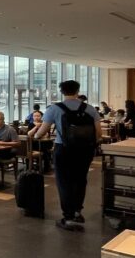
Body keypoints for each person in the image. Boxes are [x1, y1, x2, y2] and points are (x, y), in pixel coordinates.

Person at [35, 79, 101, 231]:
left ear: (62, 92)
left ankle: (68, 216)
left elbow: (42, 132)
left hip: (63, 150)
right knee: (80, 179)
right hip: (85, 150)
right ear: (78, 91)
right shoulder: (89, 108)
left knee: (64, 182)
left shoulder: (54, 109)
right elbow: (99, 133)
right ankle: (77, 211)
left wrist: (36, 135)